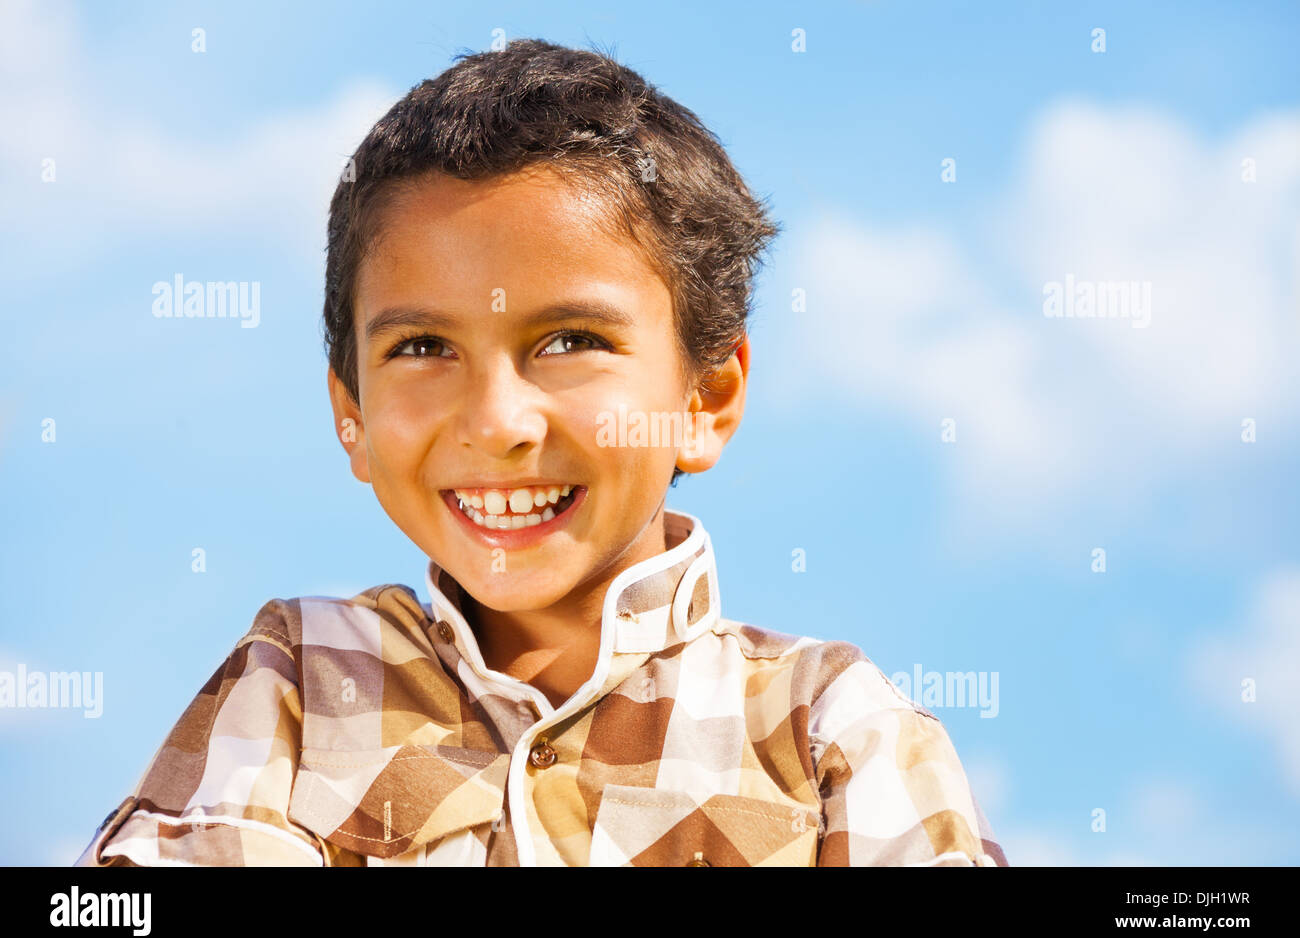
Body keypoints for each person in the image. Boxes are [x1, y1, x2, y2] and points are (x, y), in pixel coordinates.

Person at [76, 38, 1007, 867]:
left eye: (568, 341)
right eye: (422, 348)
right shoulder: (301, 684)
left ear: (707, 397)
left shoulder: (830, 732)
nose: (497, 422)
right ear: (349, 412)